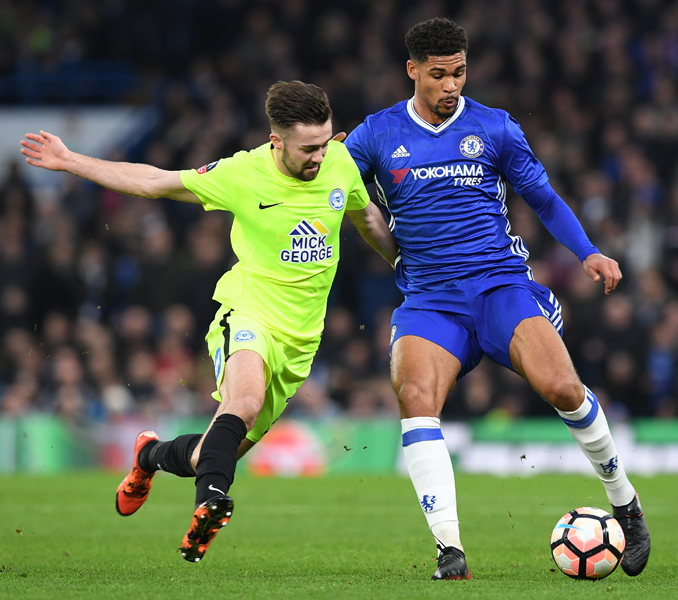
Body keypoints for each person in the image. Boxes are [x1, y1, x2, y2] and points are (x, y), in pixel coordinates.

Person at [20, 80, 397, 562]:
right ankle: (211, 504)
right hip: (249, 311)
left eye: (325, 144)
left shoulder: (339, 163)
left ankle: (149, 456)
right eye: (308, 149)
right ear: (276, 140)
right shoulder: (242, 173)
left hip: (301, 342)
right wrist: (72, 161)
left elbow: (369, 223)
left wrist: (409, 270)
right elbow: (155, 181)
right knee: (244, 400)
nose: (320, 157)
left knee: (208, 456)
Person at [344, 18, 650, 580]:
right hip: (430, 299)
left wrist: (588, 252)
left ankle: (625, 504)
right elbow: (327, 183)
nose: (451, 85)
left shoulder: (495, 128)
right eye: (438, 75)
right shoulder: (374, 135)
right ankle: (450, 551)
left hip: (499, 286)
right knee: (415, 396)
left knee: (563, 388)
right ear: (413, 71)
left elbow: (545, 198)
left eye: (459, 72)